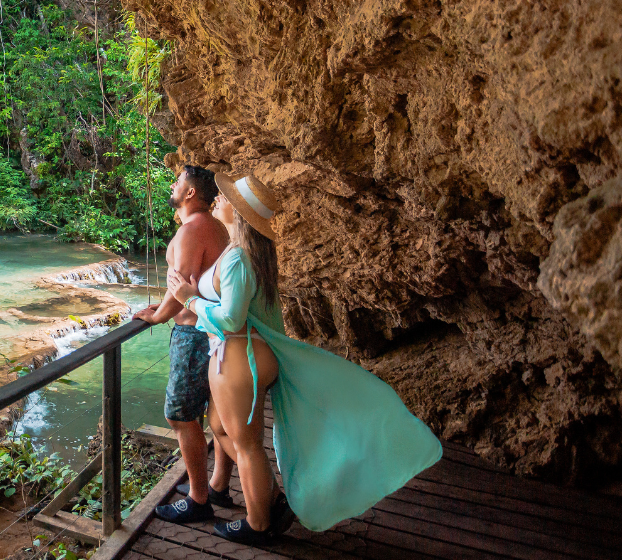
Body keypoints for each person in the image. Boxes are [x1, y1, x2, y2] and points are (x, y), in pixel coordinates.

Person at [166, 172, 442, 546]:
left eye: (227, 198)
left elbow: (231, 317)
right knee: (218, 426)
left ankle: (259, 522)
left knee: (247, 447)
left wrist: (189, 298)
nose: (219, 199)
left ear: (240, 215)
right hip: (246, 353)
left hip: (238, 354)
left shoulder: (237, 261)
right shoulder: (247, 255)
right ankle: (269, 498)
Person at [132, 165, 233, 523]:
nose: (173, 185)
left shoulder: (192, 230)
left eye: (178, 181)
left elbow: (183, 287)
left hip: (193, 335)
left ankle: (199, 498)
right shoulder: (215, 226)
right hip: (215, 334)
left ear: (191, 192)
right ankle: (219, 485)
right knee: (216, 415)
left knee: (179, 414)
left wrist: (159, 316)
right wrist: (161, 307)